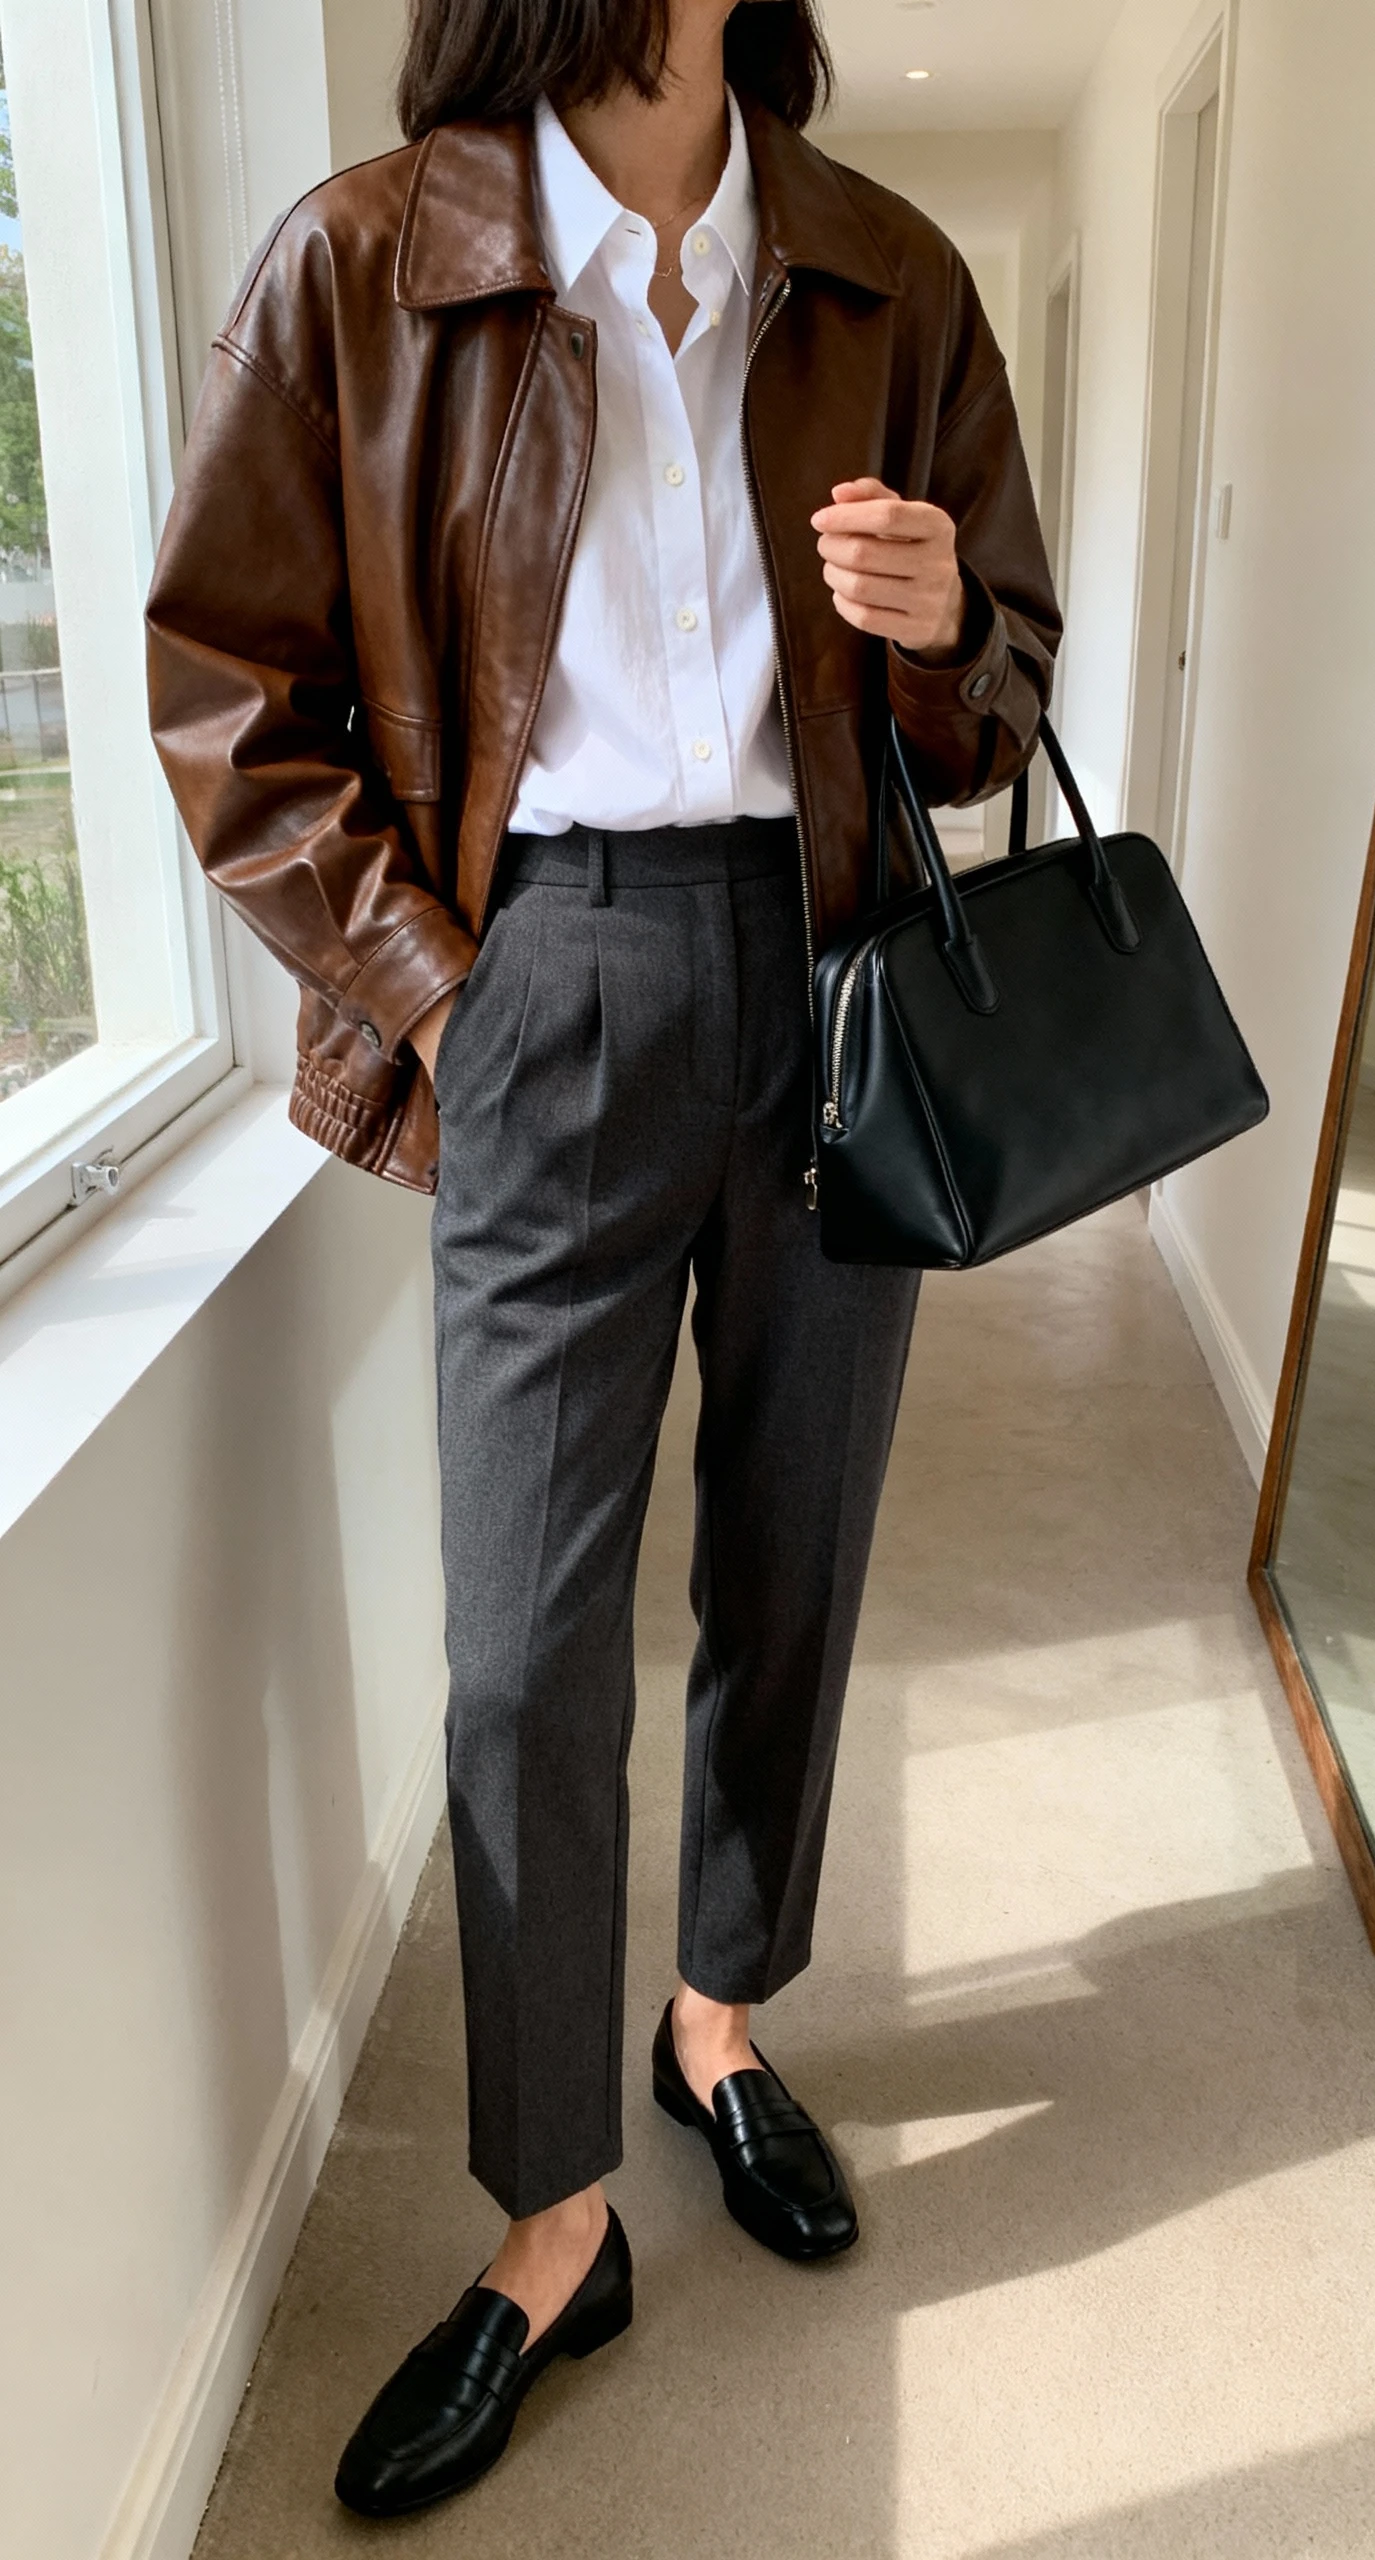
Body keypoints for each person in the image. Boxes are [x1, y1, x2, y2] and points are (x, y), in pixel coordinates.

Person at [146, 0, 1059, 2519]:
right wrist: (457, 995)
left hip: (833, 962)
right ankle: (557, 2219)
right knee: (527, 1639)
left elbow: (1002, 704)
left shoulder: (885, 270)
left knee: (799, 1539)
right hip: (534, 972)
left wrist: (938, 616)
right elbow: (229, 693)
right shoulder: (370, 257)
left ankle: (719, 2018)